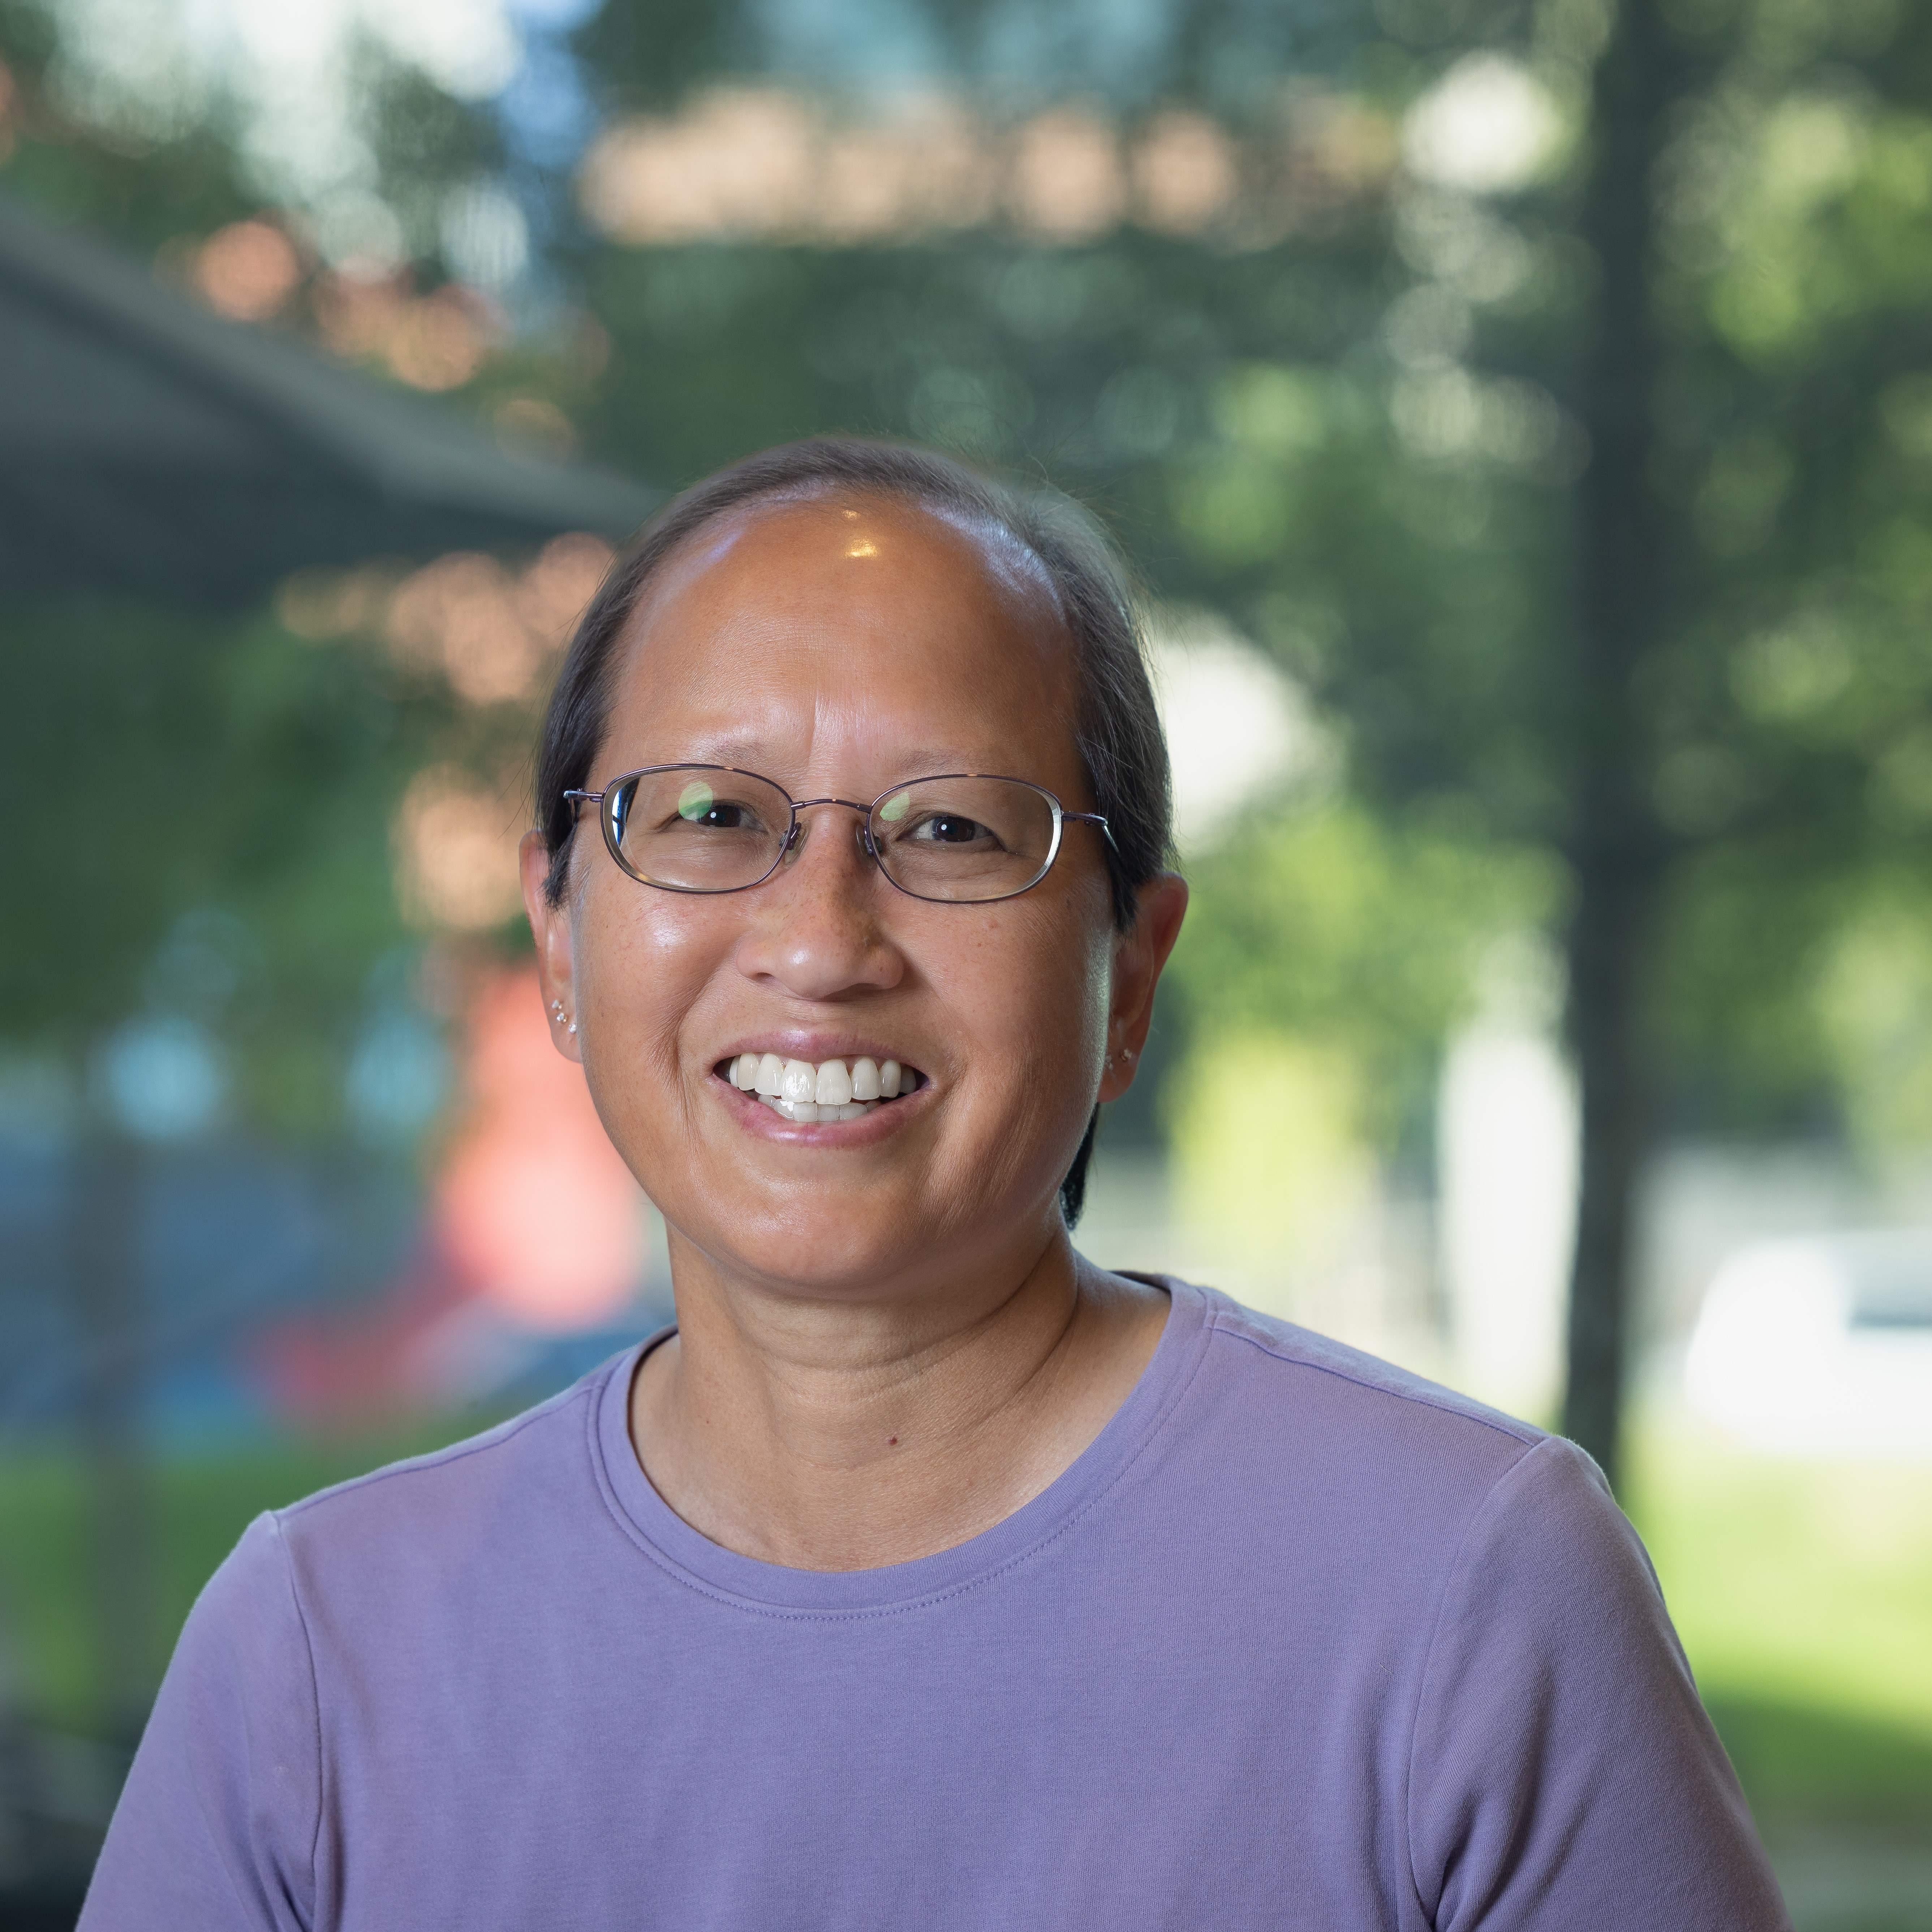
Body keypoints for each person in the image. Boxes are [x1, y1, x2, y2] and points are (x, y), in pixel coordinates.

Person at [80, 438, 1790, 1931]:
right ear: (556, 935)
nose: (821, 941)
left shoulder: (1464, 1592)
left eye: (954, 830)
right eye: (710, 814)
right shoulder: (317, 1648)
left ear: (1129, 969)